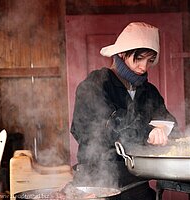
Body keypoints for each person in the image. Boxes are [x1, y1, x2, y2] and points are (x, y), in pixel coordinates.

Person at [70, 22, 178, 200]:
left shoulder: (149, 92)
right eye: (139, 58)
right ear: (122, 53)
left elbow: (171, 125)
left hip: (135, 182)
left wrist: (164, 131)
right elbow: (109, 126)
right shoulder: (95, 84)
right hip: (96, 181)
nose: (144, 67)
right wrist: (149, 132)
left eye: (150, 61)